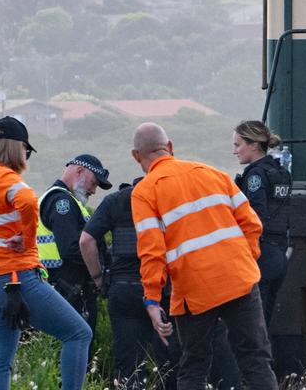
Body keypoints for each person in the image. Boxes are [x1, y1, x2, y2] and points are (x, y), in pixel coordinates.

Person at [129, 122, 278, 390]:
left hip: (193, 290)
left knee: (194, 365)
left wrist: (152, 299)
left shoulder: (144, 191)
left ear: (136, 156)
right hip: (239, 280)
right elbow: (252, 224)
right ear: (170, 147)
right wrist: (245, 260)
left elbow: (151, 251)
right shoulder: (212, 173)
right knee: (256, 360)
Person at [0, 116, 92, 390]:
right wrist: (25, 237)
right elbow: (26, 202)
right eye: (27, 150)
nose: (26, 155)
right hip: (15, 280)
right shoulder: (6, 178)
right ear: (16, 148)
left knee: (0, 362)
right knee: (79, 333)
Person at [80, 179, 243, 390]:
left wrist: (99, 278)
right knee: (172, 360)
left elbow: (86, 241)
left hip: (124, 289)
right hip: (163, 289)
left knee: (129, 365)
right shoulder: (172, 200)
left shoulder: (115, 201)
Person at [37, 153, 113, 343]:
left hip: (58, 289)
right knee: (78, 346)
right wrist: (99, 269)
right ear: (79, 171)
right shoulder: (63, 202)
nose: (94, 191)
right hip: (68, 290)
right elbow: (71, 247)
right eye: (94, 183)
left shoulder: (67, 201)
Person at [231, 121, 291, 324]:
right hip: (280, 252)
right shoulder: (280, 172)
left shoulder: (256, 176)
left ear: (254, 145)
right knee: (265, 322)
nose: (235, 151)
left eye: (238, 145)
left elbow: (255, 218)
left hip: (262, 254)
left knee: (253, 325)